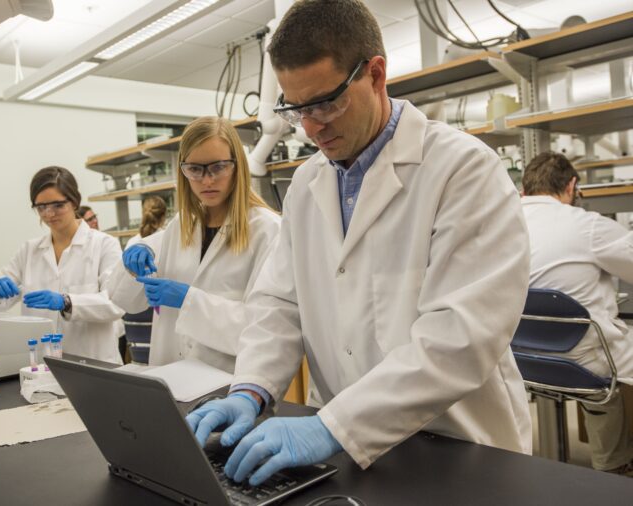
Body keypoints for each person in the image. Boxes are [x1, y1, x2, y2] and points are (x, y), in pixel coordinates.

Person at [185, 0, 532, 487]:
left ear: (375, 74)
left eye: (325, 103)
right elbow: (279, 304)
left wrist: (332, 426)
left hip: (459, 448)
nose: (310, 127)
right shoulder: (307, 185)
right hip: (352, 451)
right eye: (296, 108)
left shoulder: (462, 170)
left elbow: (460, 338)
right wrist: (250, 390)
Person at [108, 116, 281, 373]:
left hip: (228, 387)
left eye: (218, 167)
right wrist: (131, 266)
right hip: (170, 376)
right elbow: (128, 302)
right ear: (183, 171)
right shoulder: (180, 226)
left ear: (237, 166)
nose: (207, 180)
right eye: (195, 170)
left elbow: (267, 327)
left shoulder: (268, 230)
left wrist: (188, 300)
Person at [521, 151, 633, 475]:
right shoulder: (586, 225)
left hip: (521, 360)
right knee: (603, 378)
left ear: (524, 191)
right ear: (571, 186)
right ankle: (613, 468)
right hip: (580, 365)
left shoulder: (500, 223)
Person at [0, 166, 125, 363]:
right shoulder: (29, 251)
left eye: (57, 205)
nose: (49, 214)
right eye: (41, 207)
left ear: (74, 202)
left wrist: (67, 302)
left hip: (94, 363)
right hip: (42, 365)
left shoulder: (104, 245)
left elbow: (116, 303)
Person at [119, 195, 168, 362]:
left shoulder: (133, 242)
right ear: (163, 217)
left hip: (134, 317)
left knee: (140, 365)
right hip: (160, 308)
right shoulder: (168, 238)